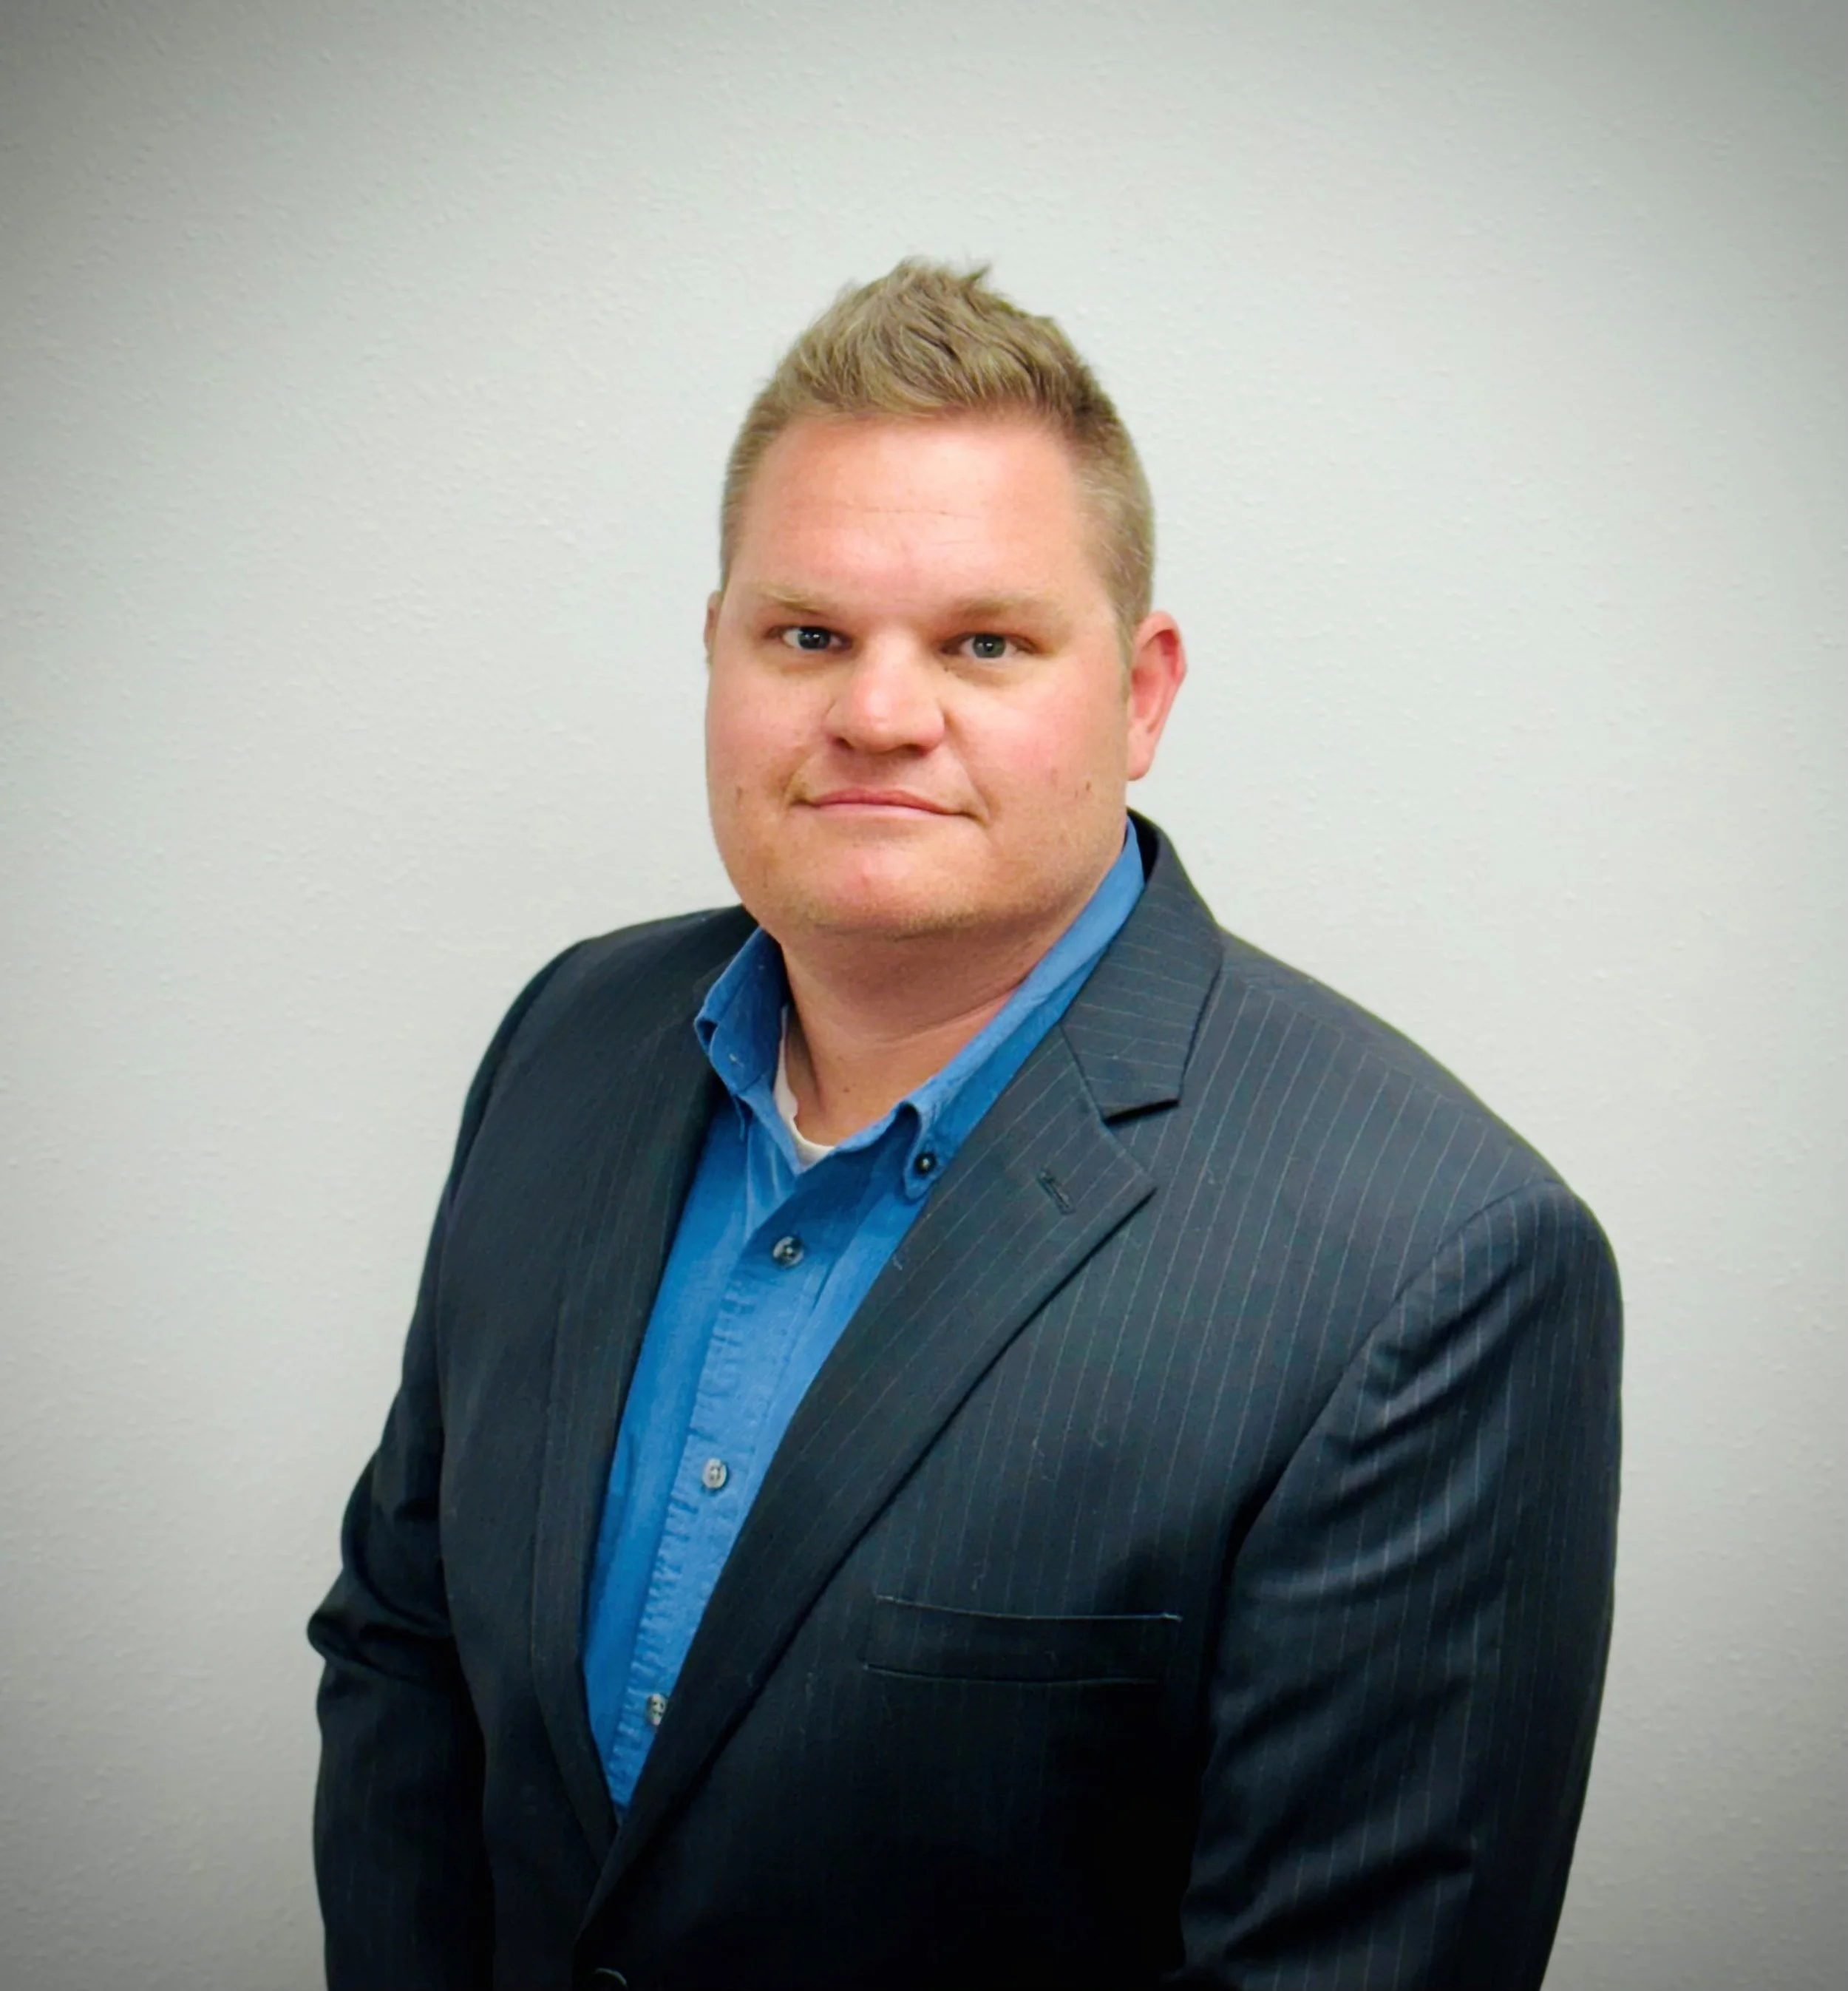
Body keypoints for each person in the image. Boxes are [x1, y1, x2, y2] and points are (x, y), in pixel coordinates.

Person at [308, 261, 1621, 1991]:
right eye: (807, 635)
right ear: (714, 651)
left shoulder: (1432, 1267)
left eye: (982, 642)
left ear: (1141, 694)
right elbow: (408, 1653)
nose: (876, 712)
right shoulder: (568, 1039)